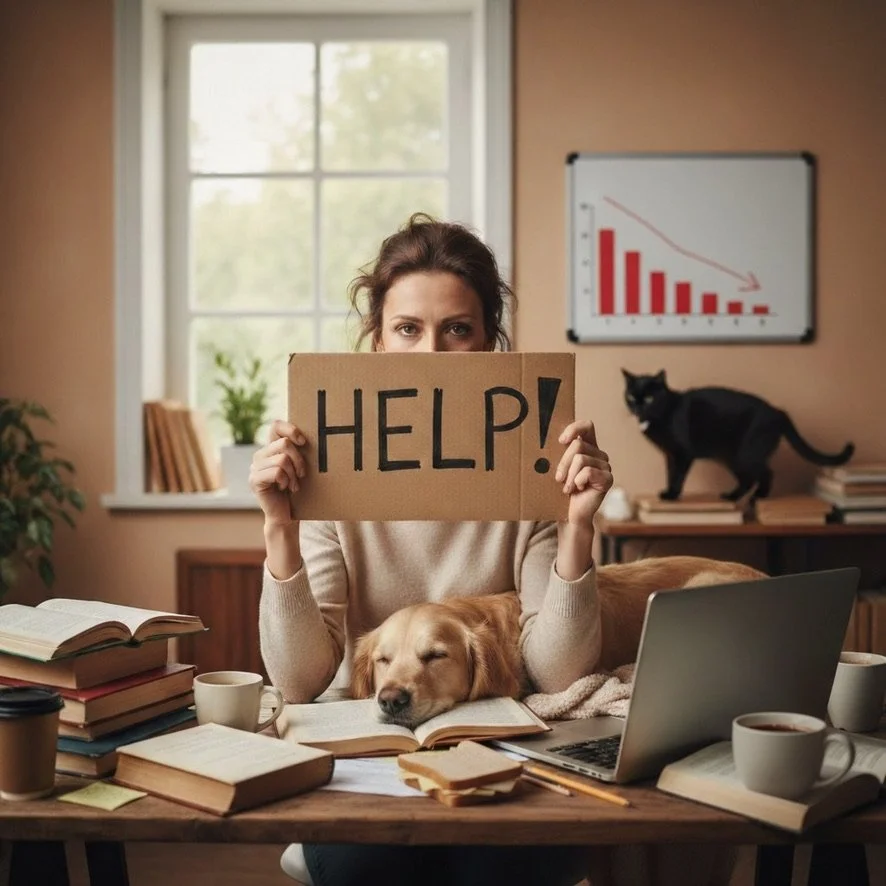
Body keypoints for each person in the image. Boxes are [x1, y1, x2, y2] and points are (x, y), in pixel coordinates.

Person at [251, 213, 613, 886]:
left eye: (458, 330)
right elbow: (300, 681)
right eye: (408, 330)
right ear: (378, 343)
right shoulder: (334, 467)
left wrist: (577, 526)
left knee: (496, 869)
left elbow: (559, 673)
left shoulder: (524, 464)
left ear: (489, 346)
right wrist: (281, 526)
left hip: (503, 751)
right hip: (367, 752)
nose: (433, 356)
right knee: (370, 865)